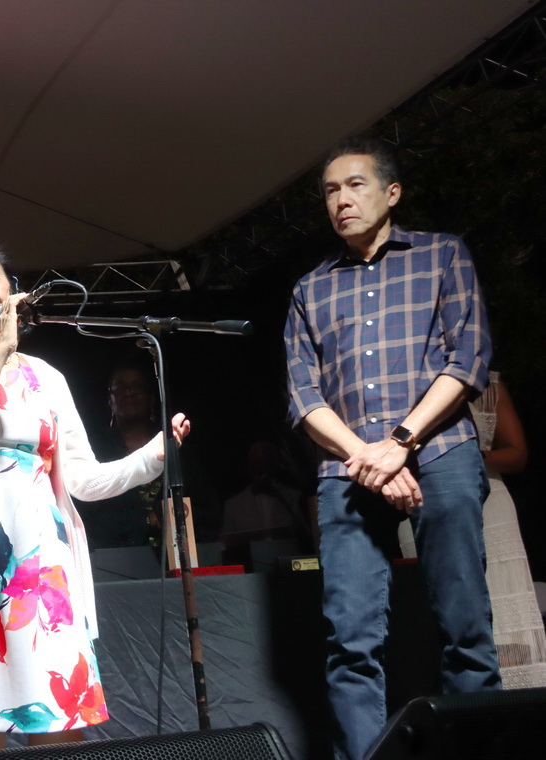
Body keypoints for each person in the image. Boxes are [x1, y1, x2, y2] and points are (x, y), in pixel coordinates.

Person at [0, 236, 190, 753]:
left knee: (60, 719)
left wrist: (153, 456)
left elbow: (85, 479)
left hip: (42, 565)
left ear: (14, 293)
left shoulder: (47, 377)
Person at [284, 136, 501, 759]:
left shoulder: (443, 256)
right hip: (347, 469)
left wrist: (401, 443)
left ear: (391, 193)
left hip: (439, 454)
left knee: (465, 629)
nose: (341, 200)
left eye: (355, 185)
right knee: (350, 643)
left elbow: (468, 359)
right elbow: (303, 396)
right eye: (330, 190)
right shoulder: (310, 288)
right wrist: (371, 457)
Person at [399, 372, 546, 688]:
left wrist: (470, 457)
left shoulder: (488, 383)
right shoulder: (404, 377)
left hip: (487, 499)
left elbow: (518, 453)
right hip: (422, 498)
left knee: (503, 603)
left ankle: (517, 693)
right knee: (442, 602)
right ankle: (457, 695)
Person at [79, 361, 164, 549]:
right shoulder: (92, 448)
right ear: (110, 400)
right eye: (119, 388)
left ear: (151, 398)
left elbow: (203, 509)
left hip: (169, 559)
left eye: (137, 387)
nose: (128, 392)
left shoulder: (169, 444)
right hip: (110, 558)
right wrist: (144, 520)